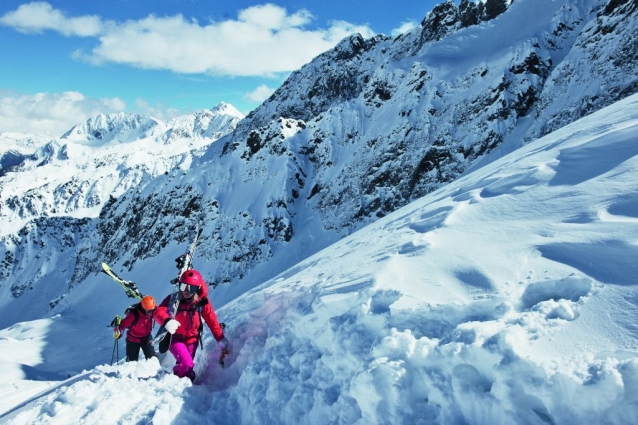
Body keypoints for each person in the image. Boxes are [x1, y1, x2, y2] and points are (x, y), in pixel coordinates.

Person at [154, 269, 228, 382]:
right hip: (175, 338)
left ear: (197, 288)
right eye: (184, 286)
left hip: (193, 340)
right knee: (187, 364)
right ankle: (174, 380)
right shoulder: (174, 300)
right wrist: (167, 321)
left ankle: (183, 382)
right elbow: (158, 312)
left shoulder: (202, 303)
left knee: (186, 368)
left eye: (191, 288)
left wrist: (221, 339)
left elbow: (212, 321)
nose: (186, 291)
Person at [114, 295, 159, 361]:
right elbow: (122, 325)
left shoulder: (152, 309)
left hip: (147, 337)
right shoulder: (133, 315)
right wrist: (118, 332)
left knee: (152, 359)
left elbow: (161, 311)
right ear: (143, 308)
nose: (151, 313)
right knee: (132, 362)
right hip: (133, 339)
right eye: (148, 311)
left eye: (152, 310)